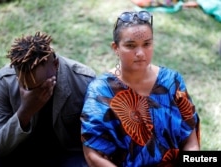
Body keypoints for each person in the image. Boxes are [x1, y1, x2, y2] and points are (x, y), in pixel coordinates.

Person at [80, 10, 200, 167]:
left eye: (147, 44)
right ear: (115, 48)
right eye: (130, 46)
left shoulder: (171, 81)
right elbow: (92, 154)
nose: (140, 53)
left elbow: (191, 142)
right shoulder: (101, 91)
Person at [0, 31, 96, 167]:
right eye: (26, 87)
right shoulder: (4, 81)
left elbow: (96, 141)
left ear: (55, 65)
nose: (34, 93)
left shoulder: (84, 80)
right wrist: (25, 111)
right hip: (19, 154)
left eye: (41, 87)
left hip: (66, 156)